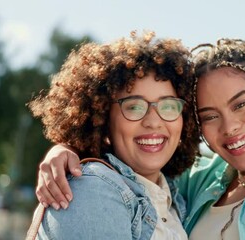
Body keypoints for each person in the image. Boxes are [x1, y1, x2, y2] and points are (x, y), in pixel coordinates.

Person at [35, 38, 245, 239]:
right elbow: (136, 162)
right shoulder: (200, 180)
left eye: (241, 104)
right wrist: (68, 149)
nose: (230, 127)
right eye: (210, 116)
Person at [27, 31, 200, 239]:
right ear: (102, 118)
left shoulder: (173, 198)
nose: (153, 121)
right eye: (134, 106)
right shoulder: (93, 190)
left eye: (169, 106)